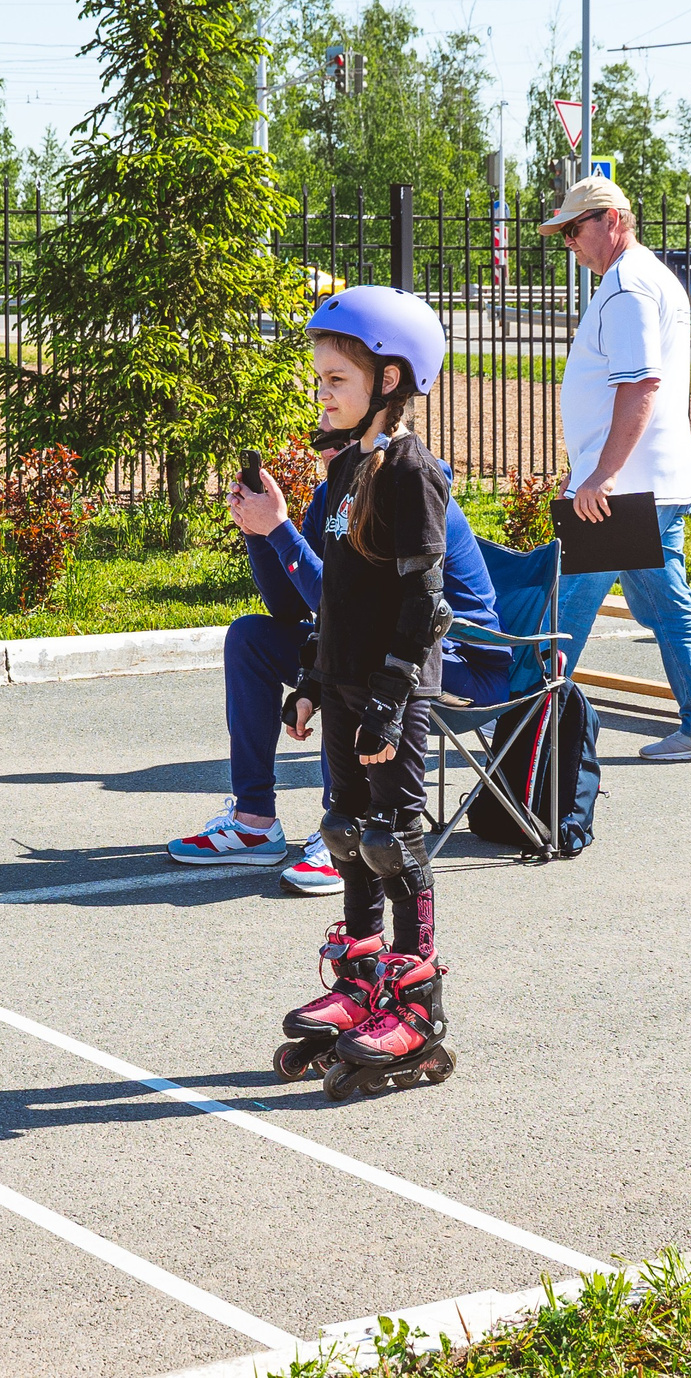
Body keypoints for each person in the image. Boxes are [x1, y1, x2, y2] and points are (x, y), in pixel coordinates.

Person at [180, 339, 511, 893]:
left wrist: (280, 530)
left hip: (451, 658)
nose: (326, 438)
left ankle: (343, 828)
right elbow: (293, 606)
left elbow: (358, 605)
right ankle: (255, 822)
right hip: (369, 646)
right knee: (251, 638)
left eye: (337, 402)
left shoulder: (408, 483)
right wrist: (261, 535)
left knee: (351, 662)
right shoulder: (332, 493)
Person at [271, 289, 460, 1098]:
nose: (323, 390)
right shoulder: (351, 464)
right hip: (347, 683)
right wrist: (314, 678)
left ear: (389, 378)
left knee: (395, 840)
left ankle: (416, 1010)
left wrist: (387, 697)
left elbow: (426, 603)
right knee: (347, 834)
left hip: (394, 689)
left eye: (336, 376)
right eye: (319, 376)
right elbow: (339, 592)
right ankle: (360, 987)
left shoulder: (412, 473)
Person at [542, 177, 691, 762]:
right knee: (664, 604)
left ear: (612, 220)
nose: (571, 244)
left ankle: (525, 719)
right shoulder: (642, 278)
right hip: (638, 481)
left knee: (567, 606)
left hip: (625, 488)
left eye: (575, 230)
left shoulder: (628, 287)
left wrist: (599, 475)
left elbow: (639, 384)